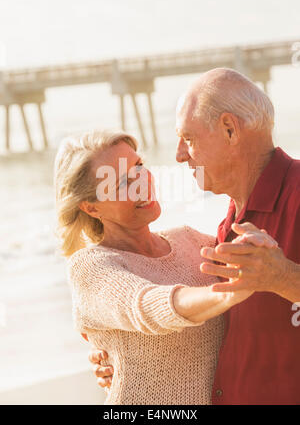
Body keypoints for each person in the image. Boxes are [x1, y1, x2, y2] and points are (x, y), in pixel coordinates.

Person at [90, 68, 300, 405]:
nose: (179, 154)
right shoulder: (224, 229)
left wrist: (284, 276)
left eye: (188, 138)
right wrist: (128, 359)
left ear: (230, 130)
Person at [54, 129, 261, 405]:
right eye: (122, 182)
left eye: (138, 167)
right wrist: (230, 291)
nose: (141, 183)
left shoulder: (189, 240)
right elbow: (148, 306)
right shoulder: (90, 267)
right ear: (91, 208)